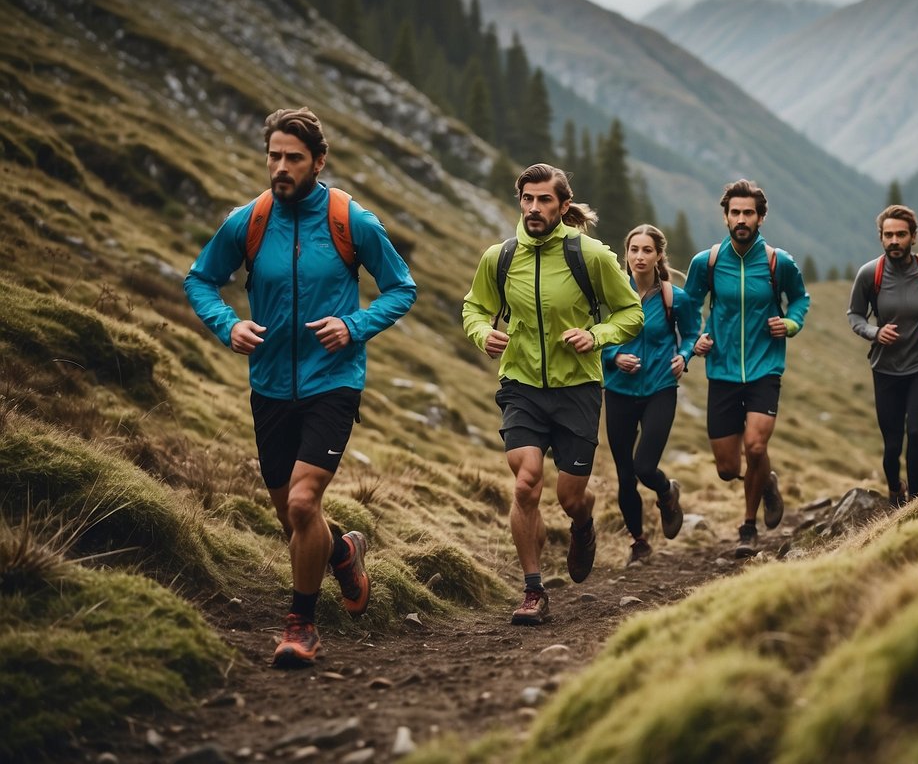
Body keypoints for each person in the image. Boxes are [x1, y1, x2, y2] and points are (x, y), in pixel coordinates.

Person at [184, 107, 417, 667]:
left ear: (318, 161)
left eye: (293, 158)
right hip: (268, 385)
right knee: (291, 514)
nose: (281, 168)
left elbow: (400, 288)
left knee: (304, 499)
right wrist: (228, 324)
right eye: (274, 156)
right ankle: (344, 551)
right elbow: (200, 279)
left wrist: (353, 325)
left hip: (333, 382)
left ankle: (301, 626)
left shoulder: (349, 220)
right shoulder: (249, 220)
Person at [462, 163, 643, 625]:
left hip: (577, 389)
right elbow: (475, 307)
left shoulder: (591, 256)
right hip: (521, 385)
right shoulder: (499, 257)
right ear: (519, 201)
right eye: (528, 199)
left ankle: (583, 524)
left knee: (569, 496)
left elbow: (631, 313)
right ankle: (533, 590)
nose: (535, 208)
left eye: (545, 200)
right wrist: (483, 333)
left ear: (564, 206)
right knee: (525, 484)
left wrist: (597, 336)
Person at [684, 179, 810, 558]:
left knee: (756, 446)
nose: (742, 219)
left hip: (764, 367)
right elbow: (689, 306)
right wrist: (695, 342)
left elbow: (800, 299)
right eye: (735, 212)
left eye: (748, 213)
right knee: (726, 467)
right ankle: (766, 480)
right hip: (722, 371)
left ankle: (748, 526)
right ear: (725, 217)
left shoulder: (777, 262)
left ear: (760, 217)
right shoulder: (706, 262)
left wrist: (790, 324)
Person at [846, 204, 918, 507]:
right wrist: (875, 333)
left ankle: (916, 500)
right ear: (881, 238)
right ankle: (894, 489)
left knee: (915, 429)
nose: (894, 241)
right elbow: (855, 315)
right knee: (891, 444)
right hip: (885, 367)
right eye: (888, 235)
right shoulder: (869, 274)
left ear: (913, 237)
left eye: (901, 234)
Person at [601, 224, 700, 564]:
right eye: (634, 250)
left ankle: (666, 492)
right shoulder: (612, 294)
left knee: (645, 466)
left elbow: (690, 334)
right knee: (625, 475)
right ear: (625, 254)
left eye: (647, 250)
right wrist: (613, 356)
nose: (639, 256)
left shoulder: (676, 298)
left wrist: (683, 356)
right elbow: (592, 337)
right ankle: (639, 542)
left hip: (660, 387)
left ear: (659, 256)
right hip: (618, 390)